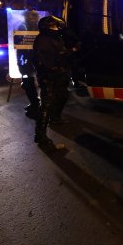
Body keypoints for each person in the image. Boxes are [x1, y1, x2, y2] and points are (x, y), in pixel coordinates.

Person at [32, 16, 73, 147]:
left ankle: (55, 118)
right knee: (47, 104)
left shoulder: (56, 38)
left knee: (63, 96)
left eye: (56, 26)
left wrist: (69, 53)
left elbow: (61, 53)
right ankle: (40, 135)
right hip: (49, 76)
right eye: (53, 26)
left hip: (60, 75)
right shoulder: (43, 40)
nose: (56, 28)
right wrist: (53, 69)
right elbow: (43, 60)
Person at [16, 9, 41, 119]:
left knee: (35, 84)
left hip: (36, 61)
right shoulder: (22, 27)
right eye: (27, 17)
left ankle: (37, 105)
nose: (29, 19)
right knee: (27, 83)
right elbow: (17, 41)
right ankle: (34, 103)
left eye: (32, 17)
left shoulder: (40, 28)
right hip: (24, 60)